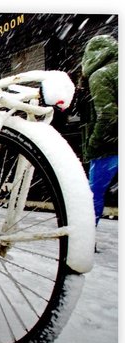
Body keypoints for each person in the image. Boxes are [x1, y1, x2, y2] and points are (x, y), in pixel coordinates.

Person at [80, 35, 118, 228]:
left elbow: (107, 113)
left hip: (109, 147)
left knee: (93, 194)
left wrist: (94, 142)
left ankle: (87, 238)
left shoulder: (100, 75)